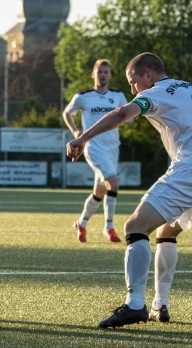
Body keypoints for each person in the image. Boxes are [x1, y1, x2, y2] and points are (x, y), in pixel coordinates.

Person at [67, 52, 192, 329]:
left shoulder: (156, 93)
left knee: (134, 226)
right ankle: (160, 305)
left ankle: (135, 305)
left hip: (191, 172)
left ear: (149, 75)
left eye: (134, 82)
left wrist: (82, 138)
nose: (133, 90)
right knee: (166, 232)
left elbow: (123, 113)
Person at [62, 59, 129, 243]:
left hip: (113, 147)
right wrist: (76, 132)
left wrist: (122, 118)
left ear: (110, 75)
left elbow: (129, 118)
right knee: (113, 183)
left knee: (100, 191)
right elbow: (67, 113)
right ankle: (109, 227)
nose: (103, 75)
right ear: (93, 74)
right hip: (93, 147)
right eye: (100, 71)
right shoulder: (83, 97)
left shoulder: (118, 96)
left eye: (106, 72)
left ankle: (81, 223)